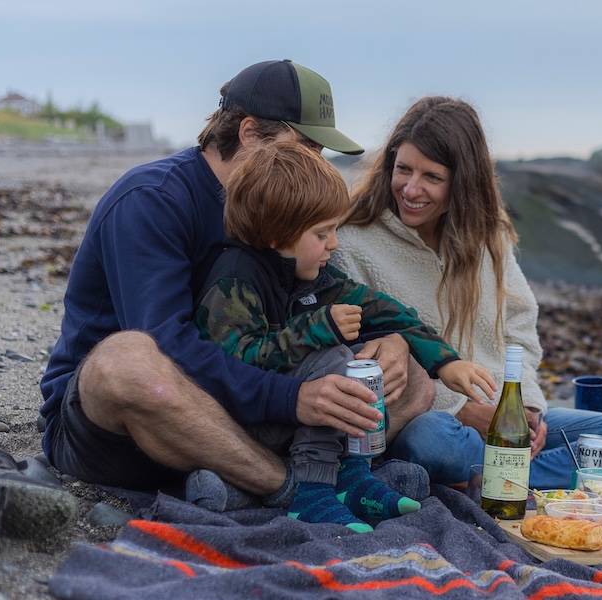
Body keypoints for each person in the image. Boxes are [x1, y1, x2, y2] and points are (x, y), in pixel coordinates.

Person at [38, 60, 435, 512]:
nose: (314, 161)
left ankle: (269, 482)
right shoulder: (150, 200)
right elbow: (167, 346)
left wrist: (390, 343)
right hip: (126, 430)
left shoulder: (287, 204)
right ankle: (288, 486)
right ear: (248, 133)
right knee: (125, 360)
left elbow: (316, 302)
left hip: (244, 411)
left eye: (320, 151)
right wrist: (292, 399)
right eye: (306, 145)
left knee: (414, 379)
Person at [331, 96, 602, 490]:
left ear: (462, 180)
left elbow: (519, 328)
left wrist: (525, 406)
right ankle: (515, 473)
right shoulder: (353, 243)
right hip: (430, 422)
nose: (411, 189)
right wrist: (461, 410)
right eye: (403, 169)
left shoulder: (488, 237)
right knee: (434, 442)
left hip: (501, 414)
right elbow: (364, 360)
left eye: (432, 177)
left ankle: (497, 476)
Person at [194, 140, 496, 530]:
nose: (333, 244)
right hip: (246, 425)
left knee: (365, 360)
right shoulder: (236, 279)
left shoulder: (314, 277)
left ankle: (353, 478)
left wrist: (446, 361)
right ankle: (314, 494)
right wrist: (313, 328)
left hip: (294, 426)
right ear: (275, 234)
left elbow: (387, 311)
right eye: (322, 234)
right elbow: (235, 364)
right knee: (337, 359)